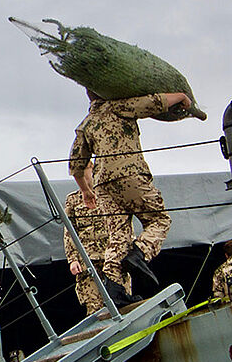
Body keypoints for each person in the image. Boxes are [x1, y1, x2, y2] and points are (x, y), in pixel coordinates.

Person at [70, 91, 192, 306]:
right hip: (129, 173)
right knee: (159, 220)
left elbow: (76, 166)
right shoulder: (121, 106)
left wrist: (86, 192)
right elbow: (155, 102)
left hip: (102, 184)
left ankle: (115, 290)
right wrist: (181, 96)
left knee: (118, 236)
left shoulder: (85, 125)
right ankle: (140, 253)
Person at [63, 182, 135, 316]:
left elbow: (125, 223)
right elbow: (69, 231)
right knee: (94, 308)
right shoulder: (73, 199)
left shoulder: (111, 193)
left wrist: (129, 248)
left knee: (122, 303)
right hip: (88, 261)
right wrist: (72, 259)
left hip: (114, 257)